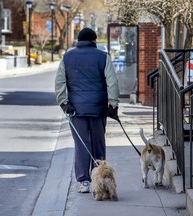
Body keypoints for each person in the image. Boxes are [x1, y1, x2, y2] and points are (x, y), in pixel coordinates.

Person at [55, 28, 120, 193]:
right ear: (94, 40)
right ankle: (101, 180)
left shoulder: (67, 57)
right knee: (98, 144)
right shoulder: (103, 56)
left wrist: (64, 102)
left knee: (82, 145)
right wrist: (113, 104)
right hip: (99, 108)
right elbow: (112, 82)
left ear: (78, 40)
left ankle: (83, 181)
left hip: (76, 110)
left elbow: (60, 82)